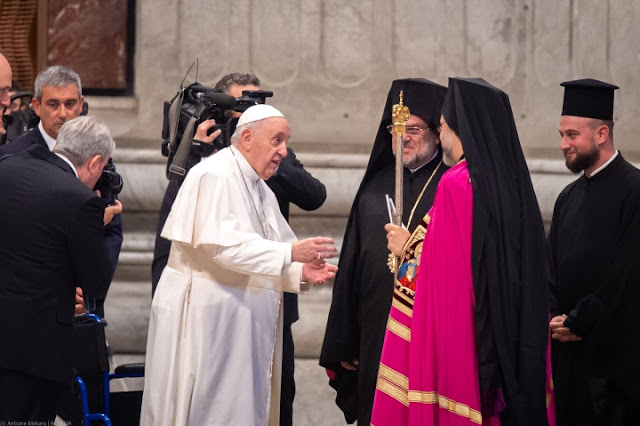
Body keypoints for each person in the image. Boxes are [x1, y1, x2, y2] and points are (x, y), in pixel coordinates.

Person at [141, 104, 338, 426]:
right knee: (209, 408)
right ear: (246, 137)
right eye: (276, 140)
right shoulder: (214, 175)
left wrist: (299, 271)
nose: (283, 152)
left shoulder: (259, 186)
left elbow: (268, 248)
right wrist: (291, 255)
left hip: (239, 321)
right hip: (206, 320)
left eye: (285, 142)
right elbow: (224, 250)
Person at [371, 78, 550, 425]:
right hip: (512, 332)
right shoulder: (513, 183)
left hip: (467, 338)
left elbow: (445, 274)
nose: (445, 139)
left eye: (443, 128)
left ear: (459, 129)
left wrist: (407, 249)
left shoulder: (457, 182)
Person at [320, 78, 449, 425]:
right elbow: (351, 267)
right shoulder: (374, 189)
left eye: (414, 128)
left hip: (428, 333)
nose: (403, 136)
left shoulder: (451, 187)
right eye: (396, 127)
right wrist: (346, 339)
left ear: (438, 132)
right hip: (374, 332)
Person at [0, 116, 117, 422]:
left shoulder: (7, 165)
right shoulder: (81, 202)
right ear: (94, 163)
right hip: (35, 351)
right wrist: (98, 226)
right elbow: (96, 282)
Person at [548, 79, 640, 425]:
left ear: (601, 134)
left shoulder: (634, 191)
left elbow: (627, 273)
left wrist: (580, 320)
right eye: (562, 134)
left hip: (613, 363)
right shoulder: (567, 198)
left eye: (572, 135)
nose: (562, 144)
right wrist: (555, 317)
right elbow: (550, 269)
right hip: (566, 356)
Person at [0, 64, 122, 318]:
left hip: (84, 302)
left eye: (69, 104)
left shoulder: (98, 155)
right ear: (36, 105)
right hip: (28, 302)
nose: (63, 113)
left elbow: (112, 231)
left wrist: (87, 294)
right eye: (53, 104)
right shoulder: (10, 157)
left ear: (81, 104)